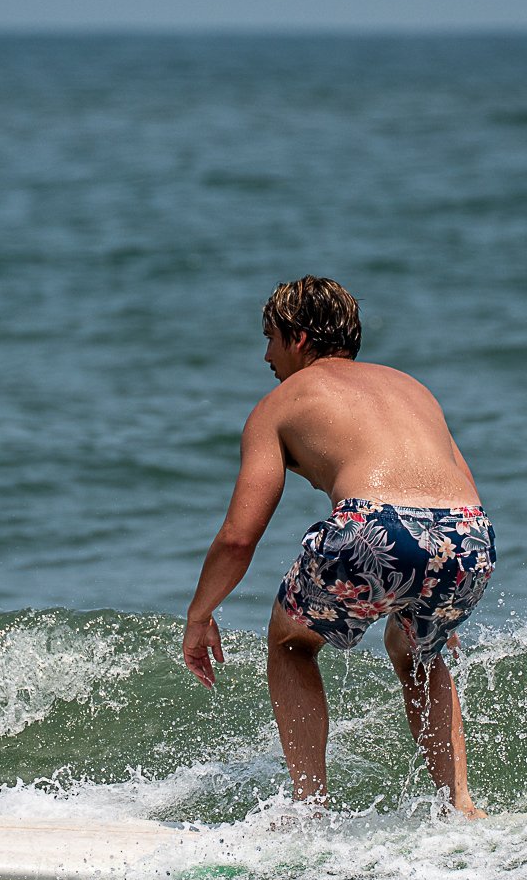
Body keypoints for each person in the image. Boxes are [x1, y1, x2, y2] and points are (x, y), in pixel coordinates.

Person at [182, 277, 497, 818]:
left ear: (299, 339)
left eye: (270, 339)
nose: (266, 355)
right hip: (469, 538)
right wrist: (441, 599)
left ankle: (311, 811)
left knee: (289, 642)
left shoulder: (280, 404)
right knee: (417, 651)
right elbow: (456, 495)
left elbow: (238, 537)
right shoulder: (412, 388)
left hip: (374, 527)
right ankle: (460, 805)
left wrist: (199, 614)